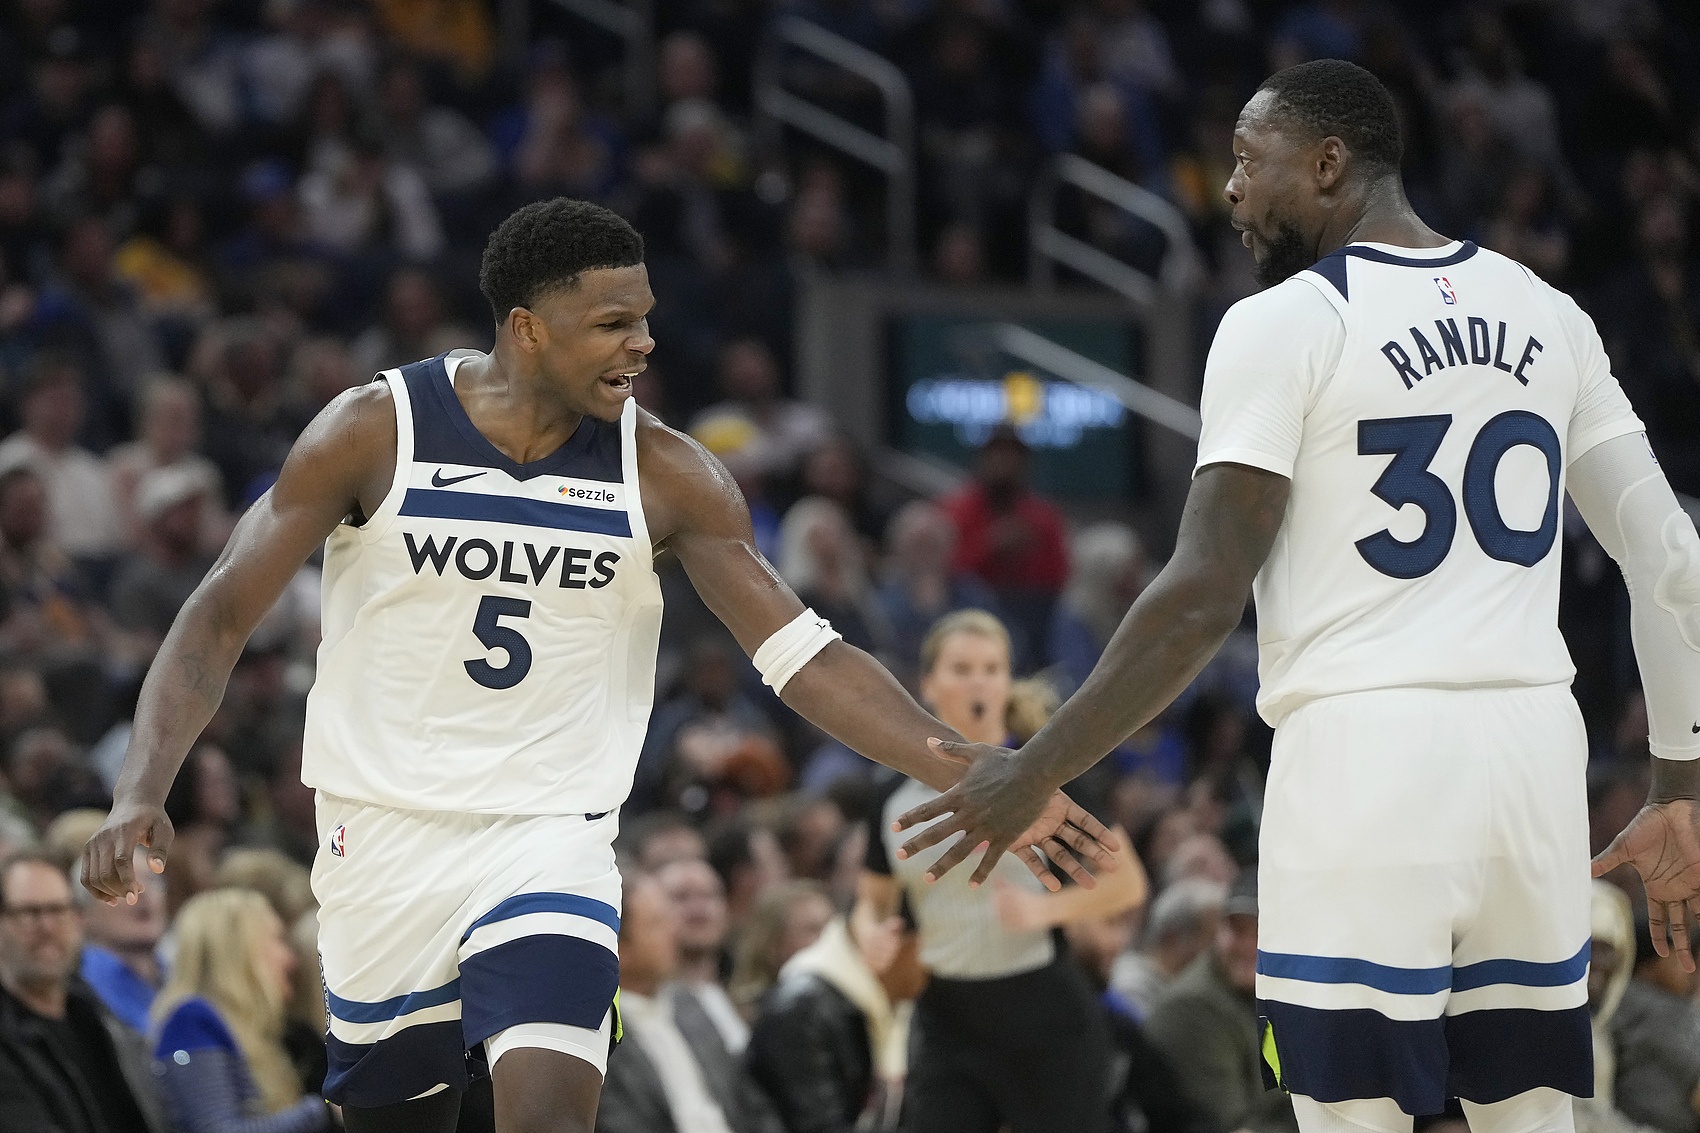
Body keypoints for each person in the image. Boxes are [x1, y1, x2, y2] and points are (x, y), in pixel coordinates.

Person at [83, 197, 1114, 1133]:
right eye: (614, 322)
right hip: (383, 830)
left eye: (646, 317)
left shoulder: (665, 471)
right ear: (527, 328)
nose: (644, 342)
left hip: (551, 833)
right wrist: (140, 787)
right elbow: (219, 612)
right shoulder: (375, 429)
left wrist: (967, 764)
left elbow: (805, 656)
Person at [894, 59, 1700, 1133]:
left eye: (1246, 158)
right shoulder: (1549, 313)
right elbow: (1673, 561)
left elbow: (1201, 591)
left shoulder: (1284, 320)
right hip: (1533, 758)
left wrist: (1034, 766)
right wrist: (1679, 782)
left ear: (1327, 164)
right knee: (1532, 1118)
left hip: (1363, 755)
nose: (1228, 187)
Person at [858, 609, 1146, 1133]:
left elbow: (1127, 883)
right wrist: (871, 936)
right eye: (962, 669)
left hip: (1045, 1016)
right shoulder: (889, 792)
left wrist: (1045, 910)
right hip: (944, 1018)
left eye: (992, 669)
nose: (979, 682)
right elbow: (869, 903)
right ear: (928, 685)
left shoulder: (1046, 777)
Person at [596, 871, 779, 1133]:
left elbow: (749, 1103)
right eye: (658, 923)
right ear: (618, 946)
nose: (675, 931)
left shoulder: (689, 1004)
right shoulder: (602, 1034)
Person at [0, 853, 170, 1133]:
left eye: (58, 910)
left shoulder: (96, 1015)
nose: (47, 927)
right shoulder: (9, 1034)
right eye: (30, 913)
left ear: (78, 919)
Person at [151, 887, 335, 1132]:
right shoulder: (190, 1020)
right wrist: (326, 1110)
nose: (289, 958)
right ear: (240, 952)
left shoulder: (256, 1029)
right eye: (277, 939)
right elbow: (218, 1130)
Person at [1144, 873, 1294, 1133]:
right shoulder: (1191, 1009)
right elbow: (1233, 1126)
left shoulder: (1282, 992)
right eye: (1237, 930)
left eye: (1260, 931)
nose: (1247, 945)